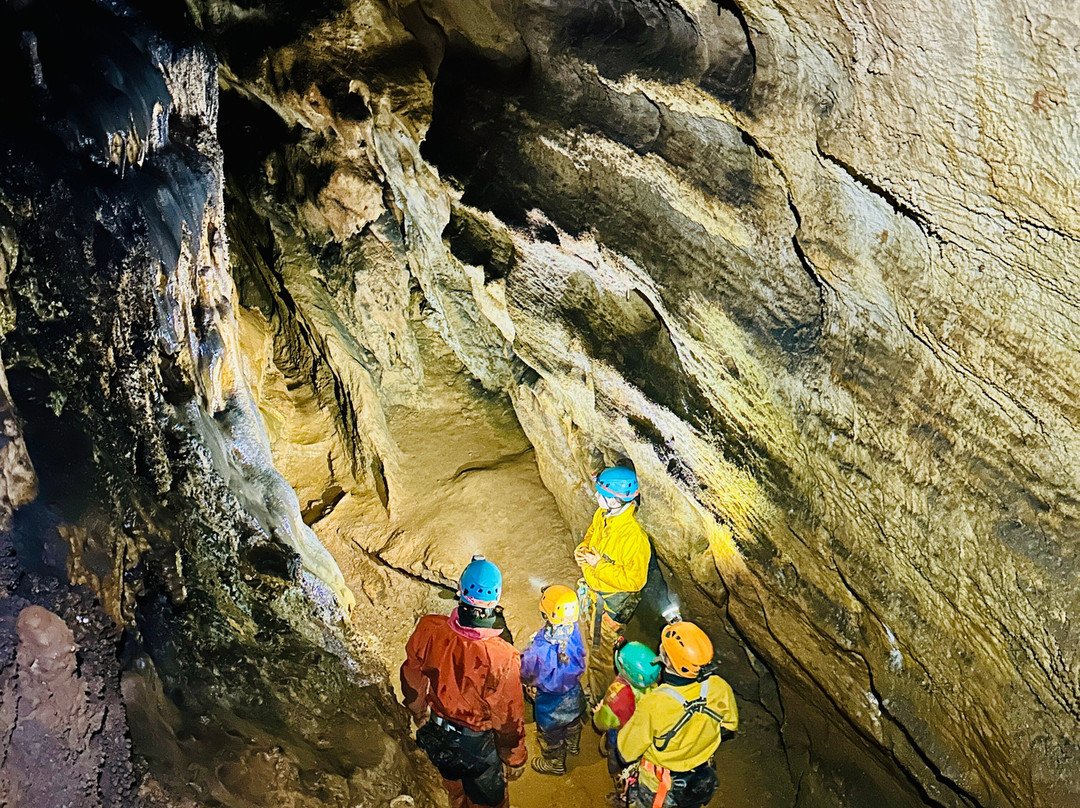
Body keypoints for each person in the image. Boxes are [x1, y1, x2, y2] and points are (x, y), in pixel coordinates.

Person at [400, 555, 526, 808]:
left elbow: (412, 675)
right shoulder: (502, 657)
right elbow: (508, 716)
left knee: (452, 795)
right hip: (478, 744)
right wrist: (513, 757)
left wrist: (418, 712)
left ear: (460, 590)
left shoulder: (429, 629)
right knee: (487, 803)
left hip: (437, 733)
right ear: (496, 601)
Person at [617, 621, 738, 808]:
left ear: (665, 658)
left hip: (660, 783)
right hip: (699, 777)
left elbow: (626, 752)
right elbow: (729, 726)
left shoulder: (654, 703)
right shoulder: (719, 687)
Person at [575, 465, 652, 705]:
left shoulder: (634, 538)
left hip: (609, 605)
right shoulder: (603, 515)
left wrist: (599, 566)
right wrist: (583, 550)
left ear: (619, 500)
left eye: (603, 494)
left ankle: (603, 703)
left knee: (601, 657)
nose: (597, 497)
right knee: (591, 644)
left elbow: (635, 581)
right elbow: (591, 535)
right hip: (595, 593)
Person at [520, 584, 586, 776]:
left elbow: (526, 670)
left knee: (551, 736)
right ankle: (573, 745)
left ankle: (555, 762)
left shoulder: (540, 648)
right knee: (573, 723)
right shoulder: (574, 630)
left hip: (552, 704)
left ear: (546, 615)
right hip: (574, 694)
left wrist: (530, 649)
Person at [593, 640, 662, 801]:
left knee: (617, 762)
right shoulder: (655, 688)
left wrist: (599, 713)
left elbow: (603, 721)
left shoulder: (618, 695)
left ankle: (622, 794)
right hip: (644, 736)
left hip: (621, 737)